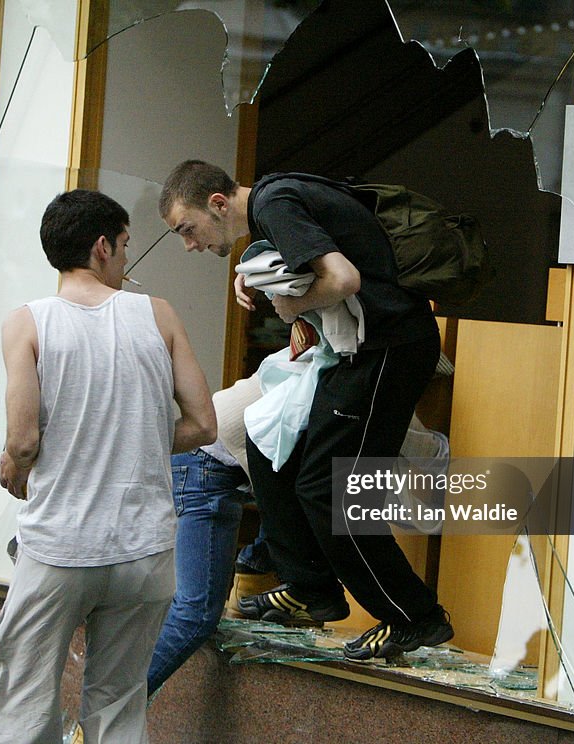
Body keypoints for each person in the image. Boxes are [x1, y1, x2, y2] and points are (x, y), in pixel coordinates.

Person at [159, 160, 453, 661]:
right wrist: (254, 275)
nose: (190, 244)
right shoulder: (279, 201)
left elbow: (342, 278)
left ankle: (414, 616)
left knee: (328, 486)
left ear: (217, 203)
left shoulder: (274, 203)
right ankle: (310, 587)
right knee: (266, 440)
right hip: (361, 351)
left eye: (188, 230)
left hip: (387, 351)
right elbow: (318, 257)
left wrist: (292, 307)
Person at [0, 190, 216, 744]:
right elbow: (204, 424)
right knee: (118, 705)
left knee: (23, 701)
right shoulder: (157, 315)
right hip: (145, 551)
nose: (127, 261)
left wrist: (14, 468)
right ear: (102, 246)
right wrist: (133, 440)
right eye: (126, 246)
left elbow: (21, 441)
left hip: (60, 550)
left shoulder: (27, 324)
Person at [147, 375, 277, 696]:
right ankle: (101, 717)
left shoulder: (320, 354)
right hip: (208, 460)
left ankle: (254, 568)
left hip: (201, 455)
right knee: (197, 614)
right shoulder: (350, 377)